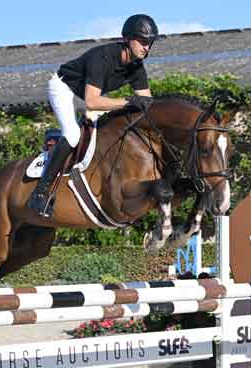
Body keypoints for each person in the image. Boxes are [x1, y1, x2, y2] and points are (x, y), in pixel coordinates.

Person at [28, 14, 158, 217]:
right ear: (126, 39)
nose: (146, 47)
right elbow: (92, 102)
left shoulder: (136, 67)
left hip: (90, 94)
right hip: (64, 87)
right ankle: (40, 193)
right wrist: (129, 101)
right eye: (142, 41)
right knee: (72, 134)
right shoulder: (103, 58)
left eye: (149, 42)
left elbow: (147, 104)